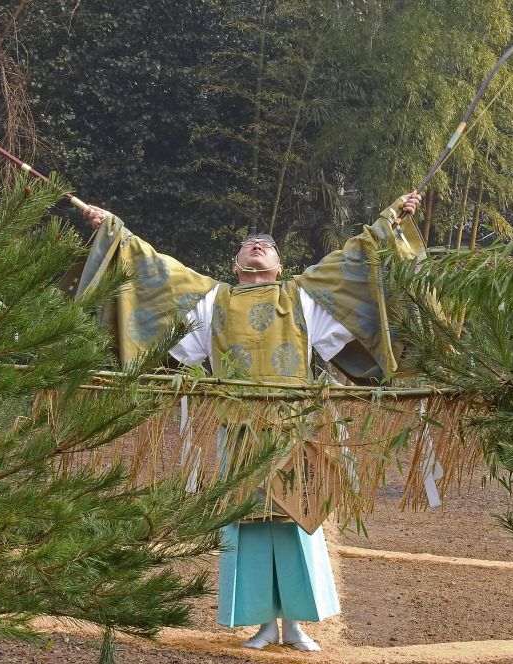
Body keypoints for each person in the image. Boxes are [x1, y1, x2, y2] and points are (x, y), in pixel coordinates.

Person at [78, 191, 423, 651]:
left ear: (280, 266)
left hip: (294, 428)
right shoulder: (212, 301)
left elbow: (357, 259)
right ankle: (261, 623)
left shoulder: (302, 298)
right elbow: (152, 268)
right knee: (248, 525)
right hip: (238, 430)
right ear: (236, 265)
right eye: (249, 245)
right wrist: (112, 230)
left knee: (298, 521)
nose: (258, 246)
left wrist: (391, 221)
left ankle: (296, 625)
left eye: (268, 246)